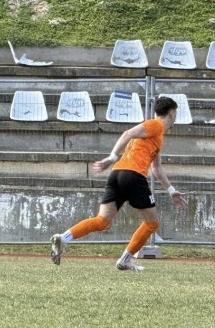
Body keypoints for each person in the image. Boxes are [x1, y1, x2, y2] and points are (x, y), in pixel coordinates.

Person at [49, 96, 188, 272]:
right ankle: (125, 260)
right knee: (151, 224)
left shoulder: (156, 135)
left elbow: (157, 168)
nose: (175, 117)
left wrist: (171, 190)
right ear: (171, 113)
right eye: (175, 113)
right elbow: (127, 133)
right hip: (133, 175)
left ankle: (63, 238)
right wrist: (112, 156)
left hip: (117, 174)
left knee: (102, 221)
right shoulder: (156, 125)